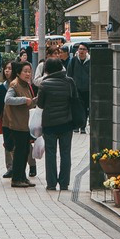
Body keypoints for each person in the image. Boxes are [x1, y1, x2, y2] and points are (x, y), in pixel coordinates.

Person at [35, 47, 81, 191]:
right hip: (66, 123)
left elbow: (40, 104)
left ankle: (51, 183)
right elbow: (75, 100)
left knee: (51, 154)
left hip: (49, 125)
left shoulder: (44, 85)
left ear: (47, 69)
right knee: (66, 154)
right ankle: (64, 183)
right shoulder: (69, 82)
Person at [0, 60, 38, 187]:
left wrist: (35, 101)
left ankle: (22, 176)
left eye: (29, 72)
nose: (28, 74)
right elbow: (8, 100)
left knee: (25, 151)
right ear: (19, 73)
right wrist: (23, 100)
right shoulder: (14, 85)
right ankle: (16, 179)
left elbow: (29, 102)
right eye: (25, 71)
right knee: (19, 152)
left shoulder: (26, 84)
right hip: (16, 123)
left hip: (25, 124)